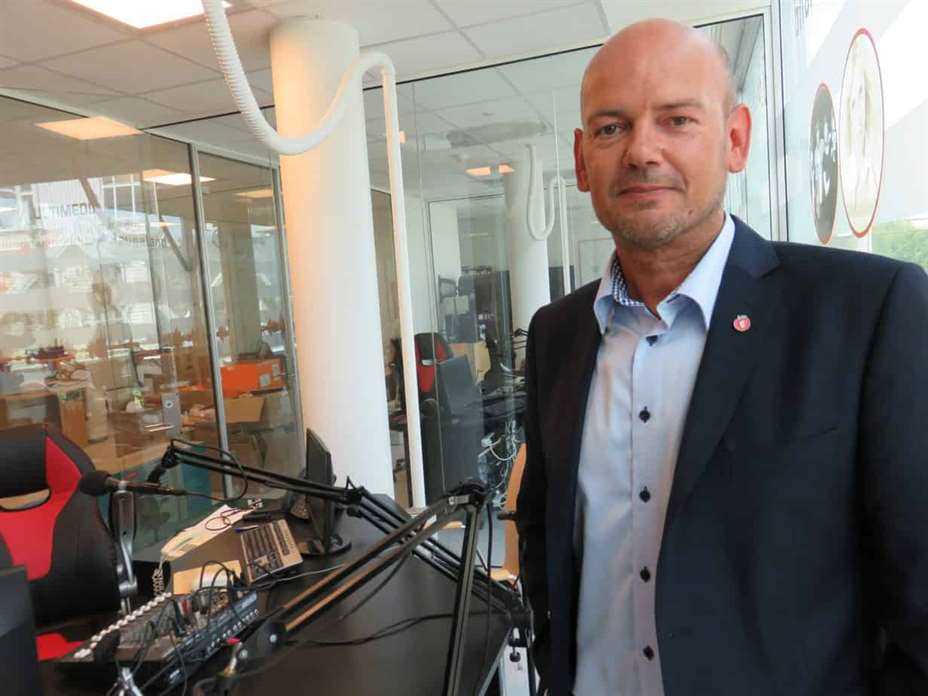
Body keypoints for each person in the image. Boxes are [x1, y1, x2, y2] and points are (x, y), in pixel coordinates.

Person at [516, 18, 928, 696]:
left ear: (735, 140)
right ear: (583, 161)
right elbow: (544, 530)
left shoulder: (865, 312)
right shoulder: (557, 335)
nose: (642, 151)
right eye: (612, 128)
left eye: (677, 120)